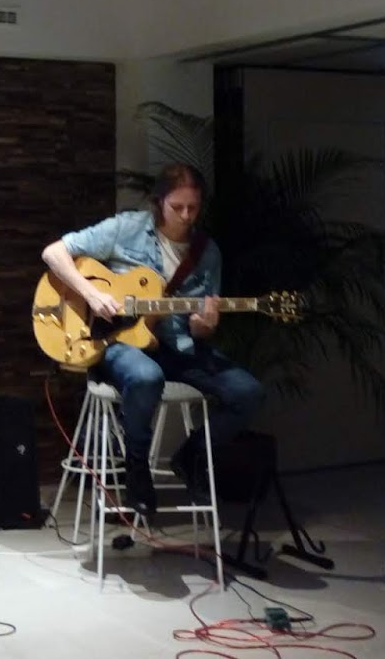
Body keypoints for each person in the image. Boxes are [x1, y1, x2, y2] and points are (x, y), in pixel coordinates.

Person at [40, 162, 265, 515]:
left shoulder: (207, 253)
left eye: (193, 208)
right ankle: (136, 468)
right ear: (159, 202)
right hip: (120, 344)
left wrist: (205, 325)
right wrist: (92, 295)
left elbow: (200, 330)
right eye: (177, 207)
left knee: (248, 392)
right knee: (146, 376)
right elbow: (54, 253)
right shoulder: (126, 228)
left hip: (179, 347)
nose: (186, 216)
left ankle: (191, 457)